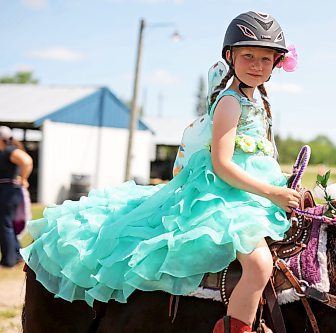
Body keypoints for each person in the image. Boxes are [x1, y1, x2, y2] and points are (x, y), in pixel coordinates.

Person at [21, 11, 299, 333]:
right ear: (230, 57)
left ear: (276, 64)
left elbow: (261, 155)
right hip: (224, 191)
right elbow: (223, 164)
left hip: (251, 190)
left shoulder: (260, 104)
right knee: (259, 265)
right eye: (248, 56)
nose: (257, 65)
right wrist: (272, 193)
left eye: (266, 59)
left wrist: (281, 186)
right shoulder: (230, 103)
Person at [0, 126, 33, 268]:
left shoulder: (9, 151)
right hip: (8, 191)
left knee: (4, 225)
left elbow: (26, 161)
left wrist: (24, 178)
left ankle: (9, 261)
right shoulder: (5, 152)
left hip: (9, 191)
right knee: (7, 224)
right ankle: (17, 255)